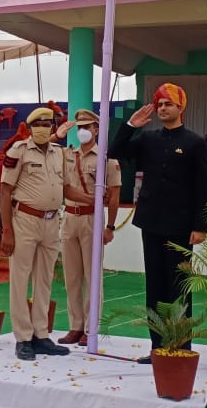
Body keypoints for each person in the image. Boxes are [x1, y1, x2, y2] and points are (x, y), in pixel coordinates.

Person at [109, 84, 207, 363]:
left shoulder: (195, 142)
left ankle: (180, 346)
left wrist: (201, 226)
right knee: (154, 287)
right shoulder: (148, 139)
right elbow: (115, 151)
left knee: (178, 287)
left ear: (181, 107)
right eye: (160, 104)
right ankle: (158, 348)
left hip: (180, 226)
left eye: (169, 104)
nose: (163, 108)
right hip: (151, 224)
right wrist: (130, 125)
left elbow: (204, 187)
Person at [0, 107, 71, 361]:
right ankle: (23, 337)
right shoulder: (18, 151)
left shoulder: (58, 154)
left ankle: (41, 334)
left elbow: (65, 188)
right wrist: (7, 231)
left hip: (51, 221)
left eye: (47, 123)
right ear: (29, 127)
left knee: (45, 279)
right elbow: (5, 191)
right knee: (20, 280)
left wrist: (93, 199)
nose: (43, 127)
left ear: (53, 127)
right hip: (25, 220)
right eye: (38, 124)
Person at [56, 109, 121, 347]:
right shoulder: (67, 155)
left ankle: (89, 327)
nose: (82, 131)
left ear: (96, 129)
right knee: (72, 277)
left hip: (92, 219)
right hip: (70, 218)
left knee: (92, 276)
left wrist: (111, 226)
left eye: (87, 126)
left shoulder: (106, 159)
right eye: (79, 127)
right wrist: (58, 135)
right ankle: (75, 326)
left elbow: (114, 196)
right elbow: (47, 153)